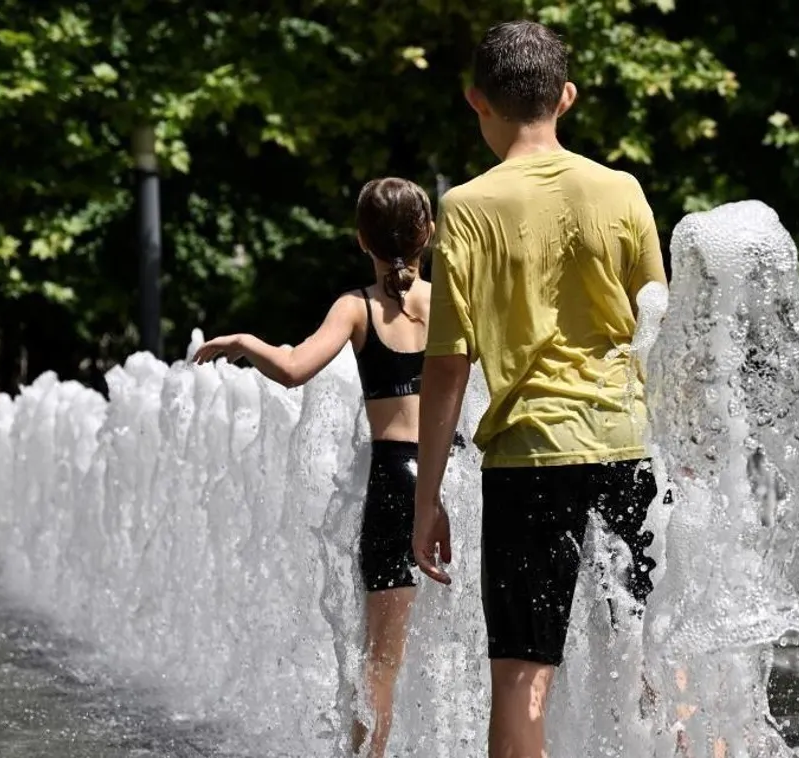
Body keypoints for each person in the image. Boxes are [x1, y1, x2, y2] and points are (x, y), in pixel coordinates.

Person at [411, 20, 668, 758]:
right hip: (627, 446)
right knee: (657, 656)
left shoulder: (467, 206)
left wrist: (428, 498)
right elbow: (661, 331)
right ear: (566, 97)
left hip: (528, 460)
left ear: (475, 102)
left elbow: (449, 363)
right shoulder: (620, 189)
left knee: (523, 678)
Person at [193, 177, 438, 758]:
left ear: (361, 240)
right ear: (428, 233)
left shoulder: (356, 307)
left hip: (395, 482)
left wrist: (245, 341)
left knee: (381, 659)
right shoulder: (454, 300)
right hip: (455, 479)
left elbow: (294, 367)